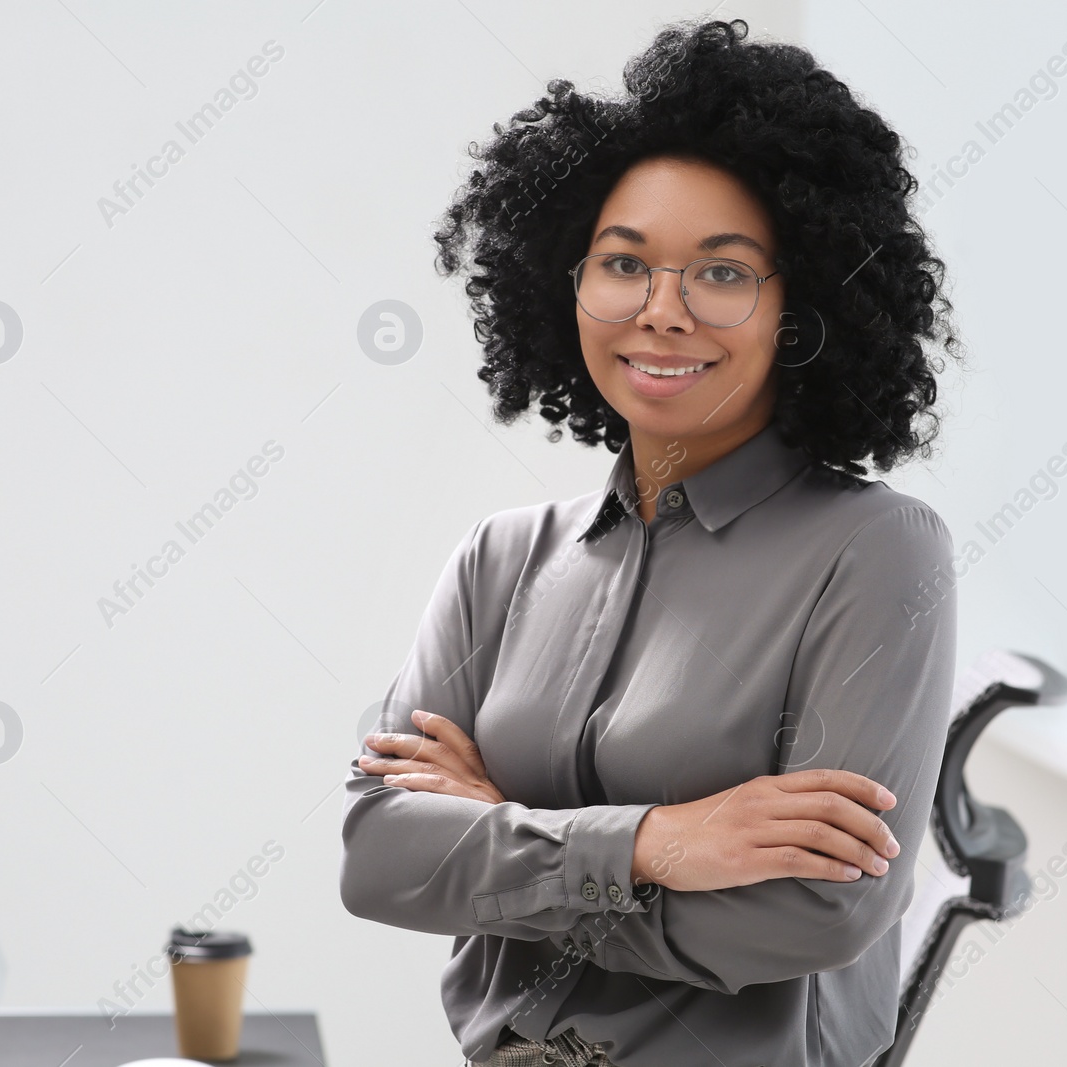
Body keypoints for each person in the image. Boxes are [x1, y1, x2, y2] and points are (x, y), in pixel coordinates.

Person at [339, 17, 964, 1067]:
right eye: (624, 263)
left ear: (798, 308)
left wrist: (498, 841)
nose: (661, 311)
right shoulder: (499, 560)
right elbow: (378, 859)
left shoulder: (876, 550)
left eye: (721, 274)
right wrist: (658, 844)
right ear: (567, 285)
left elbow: (813, 912)